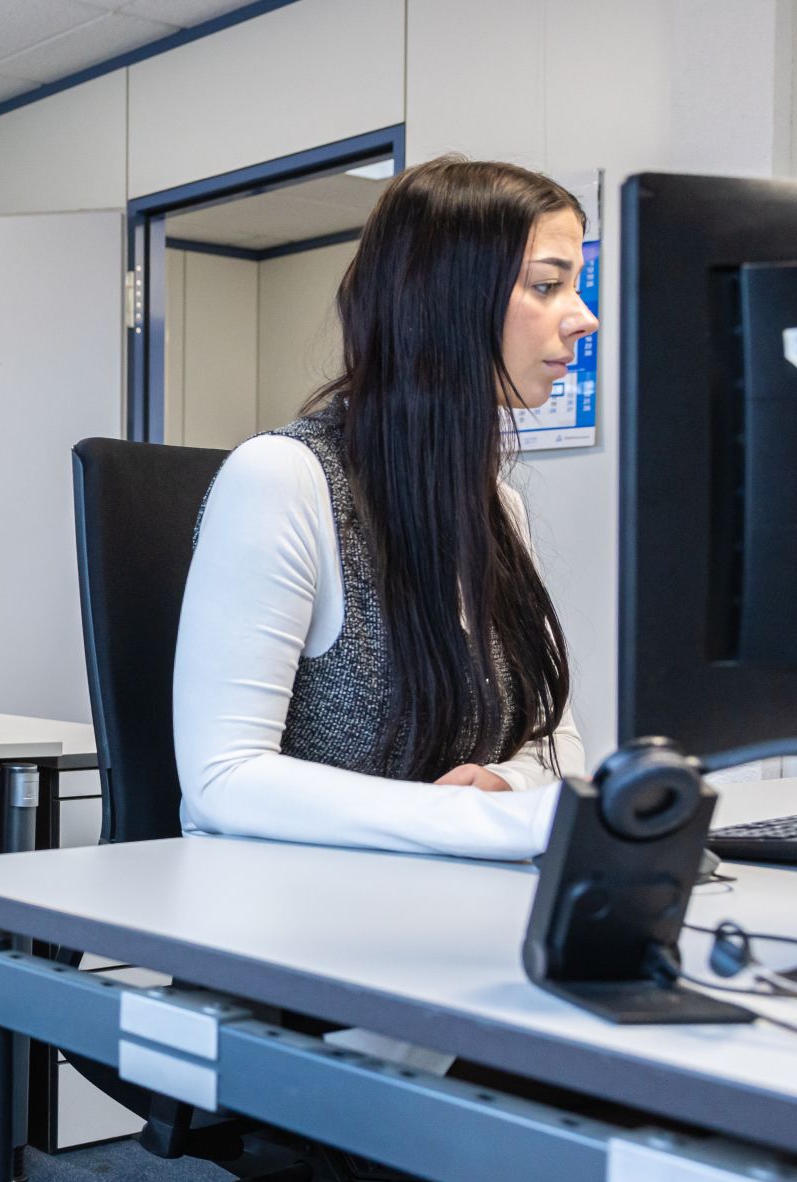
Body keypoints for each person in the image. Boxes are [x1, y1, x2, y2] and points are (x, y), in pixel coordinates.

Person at [173, 155, 593, 862]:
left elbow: (557, 741)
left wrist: (505, 781)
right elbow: (223, 778)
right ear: (446, 300)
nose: (584, 317)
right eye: (547, 285)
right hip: (286, 914)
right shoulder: (283, 479)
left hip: (439, 895)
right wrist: (463, 819)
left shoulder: (498, 507)